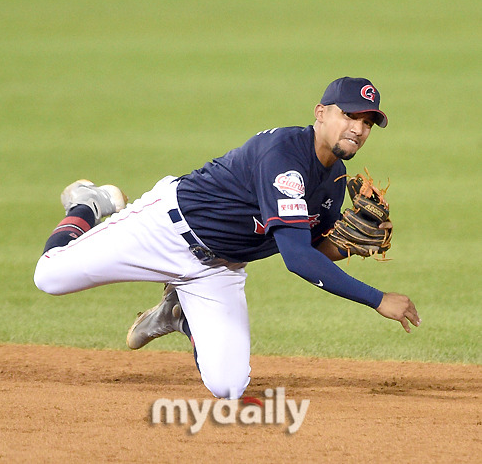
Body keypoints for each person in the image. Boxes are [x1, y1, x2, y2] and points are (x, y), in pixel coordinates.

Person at [34, 76, 421, 400]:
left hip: (218, 270)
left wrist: (348, 245)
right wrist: (377, 299)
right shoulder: (283, 156)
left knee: (228, 386)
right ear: (321, 113)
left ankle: (178, 313)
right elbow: (297, 260)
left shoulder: (335, 179)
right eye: (350, 115)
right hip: (164, 229)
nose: (358, 128)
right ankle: (88, 204)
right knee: (49, 277)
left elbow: (313, 248)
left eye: (368, 122)